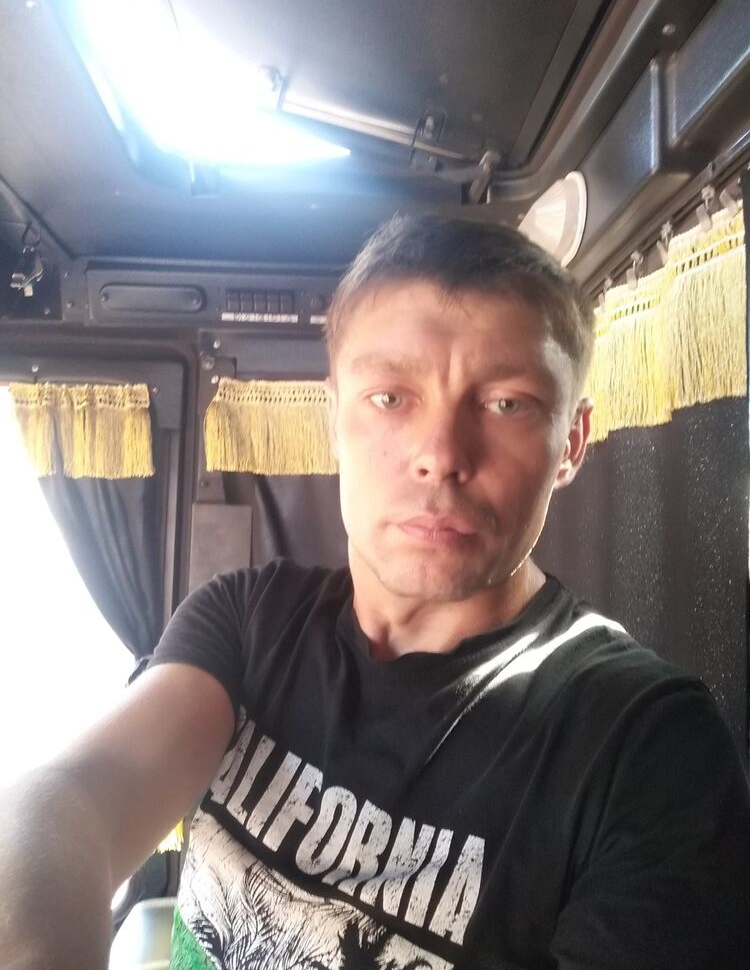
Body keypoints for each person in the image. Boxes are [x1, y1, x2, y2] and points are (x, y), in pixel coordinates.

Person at [2, 216, 750, 970]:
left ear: (572, 442)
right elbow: (69, 800)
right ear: (334, 418)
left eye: (507, 403)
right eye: (391, 397)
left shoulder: (650, 746)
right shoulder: (250, 619)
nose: (440, 456)